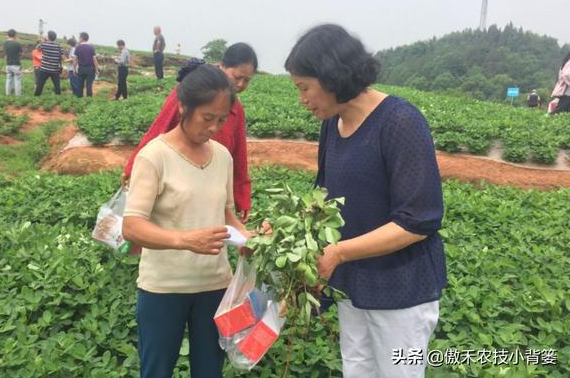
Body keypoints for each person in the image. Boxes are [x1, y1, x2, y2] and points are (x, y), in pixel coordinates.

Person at [284, 24, 447, 378]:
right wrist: (287, 230)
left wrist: (340, 252)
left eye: (305, 88)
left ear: (331, 77)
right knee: (357, 370)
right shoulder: (333, 124)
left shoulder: (400, 122)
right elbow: (323, 198)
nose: (303, 99)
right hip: (352, 286)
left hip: (400, 290)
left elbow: (418, 221)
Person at [122, 63, 252, 378]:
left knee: (209, 371)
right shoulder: (154, 156)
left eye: (221, 120)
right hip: (164, 288)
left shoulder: (222, 156)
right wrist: (184, 240)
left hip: (214, 285)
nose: (214, 128)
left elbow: (226, 215)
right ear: (183, 107)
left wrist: (250, 240)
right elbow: (132, 226)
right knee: (157, 370)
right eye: (207, 118)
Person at [122, 43, 258, 224]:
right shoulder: (191, 94)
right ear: (222, 67)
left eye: (247, 80)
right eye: (237, 77)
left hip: (210, 181)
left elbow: (239, 155)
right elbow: (159, 128)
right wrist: (134, 166)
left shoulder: (235, 113)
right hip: (177, 178)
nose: (240, 84)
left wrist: (242, 195)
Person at [34, 31, 63, 96]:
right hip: (55, 69)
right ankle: (58, 97)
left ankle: (36, 97)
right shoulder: (59, 46)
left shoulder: (44, 44)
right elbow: (61, 56)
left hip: (44, 68)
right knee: (57, 85)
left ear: (48, 37)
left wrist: (44, 40)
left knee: (40, 84)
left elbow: (37, 48)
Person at [73, 32, 99, 97]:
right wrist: (96, 70)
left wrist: (74, 69)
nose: (78, 39)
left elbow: (75, 59)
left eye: (79, 38)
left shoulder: (78, 47)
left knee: (80, 85)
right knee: (89, 85)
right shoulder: (91, 47)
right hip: (90, 69)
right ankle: (89, 100)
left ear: (81, 38)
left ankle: (79, 99)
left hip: (81, 68)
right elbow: (95, 60)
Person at [3, 29, 22, 96]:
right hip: (16, 64)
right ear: (15, 35)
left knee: (8, 79)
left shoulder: (5, 43)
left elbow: (6, 53)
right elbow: (20, 53)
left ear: (8, 35)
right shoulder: (18, 43)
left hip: (8, 64)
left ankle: (7, 94)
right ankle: (18, 95)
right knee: (17, 80)